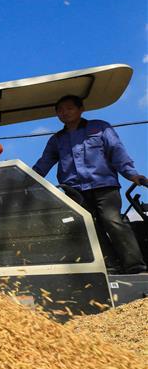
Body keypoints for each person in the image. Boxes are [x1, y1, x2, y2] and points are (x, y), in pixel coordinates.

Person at [33, 94, 148, 273]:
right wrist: (27, 180)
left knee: (113, 221)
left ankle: (135, 266)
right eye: (60, 110)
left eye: (69, 108)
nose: (65, 113)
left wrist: (132, 175)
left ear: (81, 109)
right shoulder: (57, 140)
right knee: (87, 227)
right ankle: (110, 266)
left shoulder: (100, 128)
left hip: (104, 186)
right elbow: (43, 163)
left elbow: (117, 152)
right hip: (74, 191)